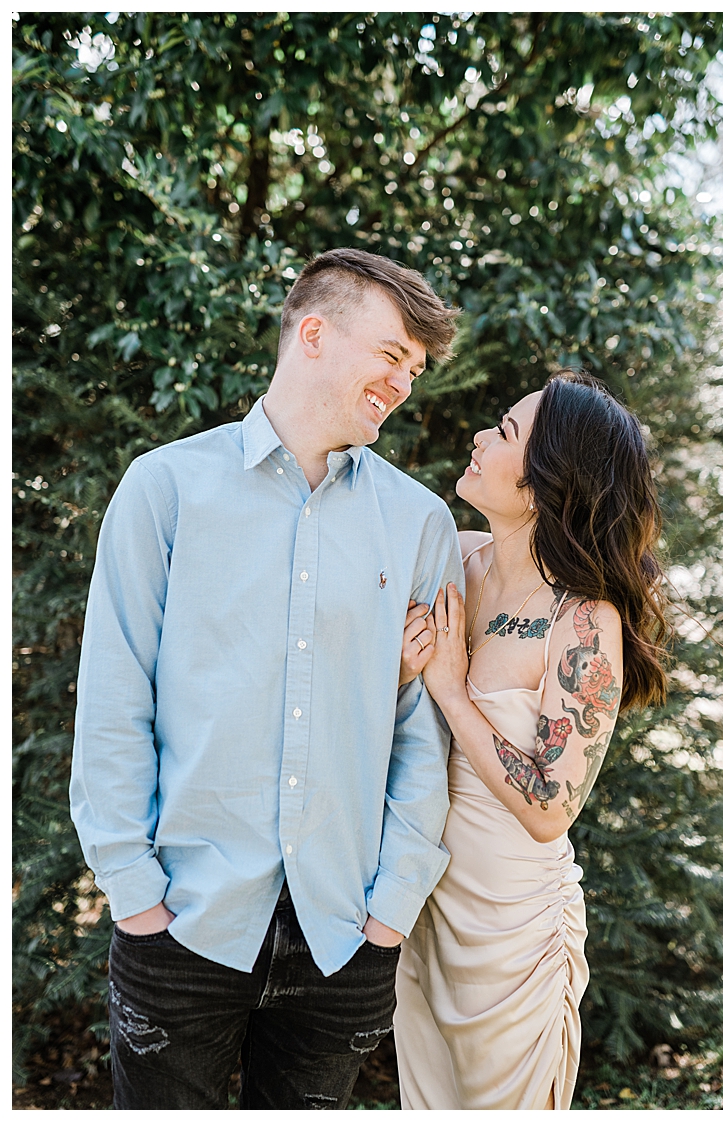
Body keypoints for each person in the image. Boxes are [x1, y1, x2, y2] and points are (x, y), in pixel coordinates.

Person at [69, 248, 463, 1109]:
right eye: (392, 355)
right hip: (182, 927)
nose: (403, 382)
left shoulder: (421, 524)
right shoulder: (165, 489)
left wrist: (388, 914)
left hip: (343, 941)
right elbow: (112, 702)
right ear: (313, 333)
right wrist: (137, 898)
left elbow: (419, 733)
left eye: (416, 369)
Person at [391, 371, 670, 1109]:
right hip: (420, 904)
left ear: (548, 484)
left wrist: (452, 689)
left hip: (511, 936)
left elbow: (550, 806)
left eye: (506, 433)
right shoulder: (450, 559)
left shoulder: (583, 623)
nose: (481, 438)